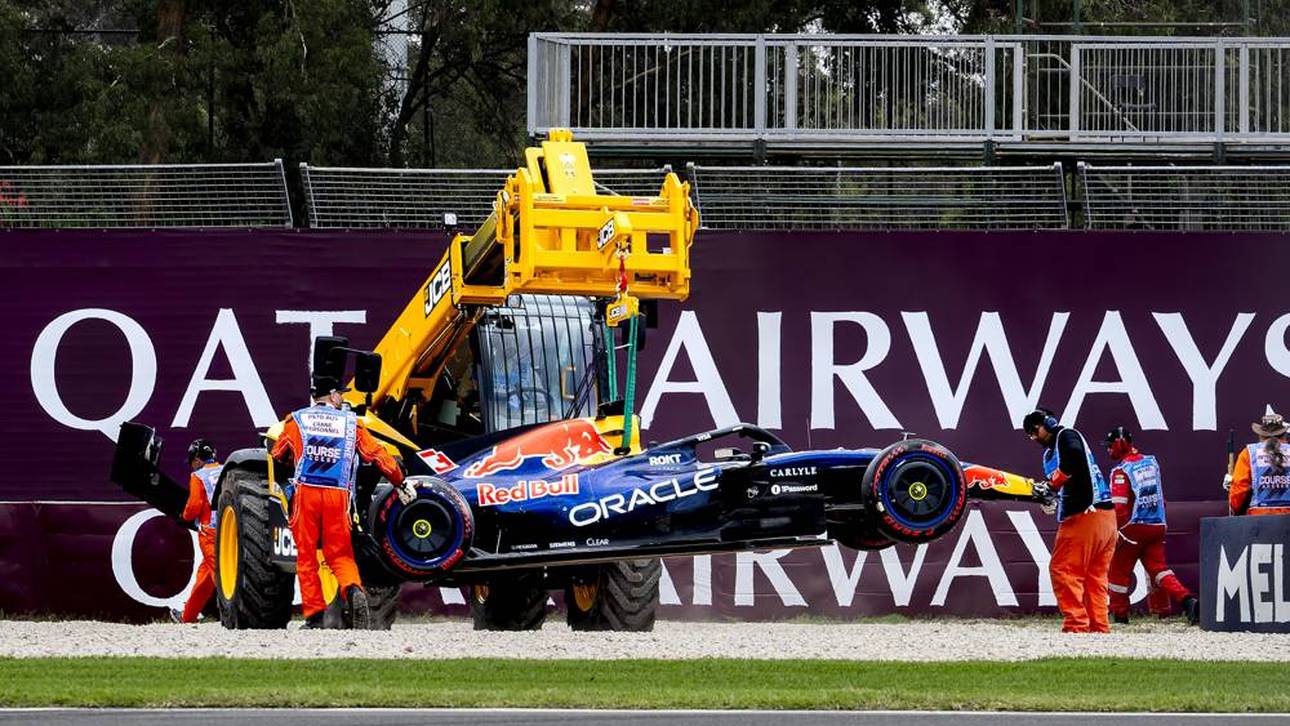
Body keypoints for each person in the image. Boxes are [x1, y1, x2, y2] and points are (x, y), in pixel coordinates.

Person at [271, 374, 412, 629]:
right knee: (341, 554)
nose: (343, 398)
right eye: (341, 394)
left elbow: (279, 453)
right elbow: (376, 455)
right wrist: (399, 481)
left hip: (306, 493)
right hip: (338, 495)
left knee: (306, 556)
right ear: (333, 395)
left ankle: (314, 617)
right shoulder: (351, 422)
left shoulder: (297, 420)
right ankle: (353, 590)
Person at [1023, 407, 1117, 633]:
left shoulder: (1066, 435)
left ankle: (1076, 625)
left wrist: (1053, 484)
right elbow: (1065, 478)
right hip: (1105, 517)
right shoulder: (1050, 453)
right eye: (1031, 435)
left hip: (1084, 515)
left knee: (1062, 569)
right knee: (1094, 577)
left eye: (1036, 431)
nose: (1035, 437)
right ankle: (1099, 628)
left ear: (1049, 423)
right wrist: (1049, 497)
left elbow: (1072, 459)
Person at [1104, 427, 1199, 626]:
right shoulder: (1151, 462)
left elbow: (1120, 508)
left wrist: (1115, 531)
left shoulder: (1120, 471)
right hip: (1157, 525)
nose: (1108, 451)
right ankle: (1187, 601)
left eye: (1109, 447)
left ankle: (1120, 615)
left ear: (1119, 445)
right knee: (1159, 570)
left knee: (1117, 573)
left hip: (1133, 529)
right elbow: (1161, 499)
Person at [170, 439, 224, 624]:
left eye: (192, 462)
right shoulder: (227, 470)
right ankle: (188, 616)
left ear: (198, 460)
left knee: (221, 573)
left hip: (210, 533)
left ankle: (239, 612)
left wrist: (183, 517)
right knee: (205, 577)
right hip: (230, 530)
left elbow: (194, 506)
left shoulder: (198, 476)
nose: (192, 467)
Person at [1228, 407, 1290, 516]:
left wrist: (1234, 508)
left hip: (1258, 519)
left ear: (1261, 434)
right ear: (1284, 434)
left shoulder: (1248, 453)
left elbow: (1239, 488)